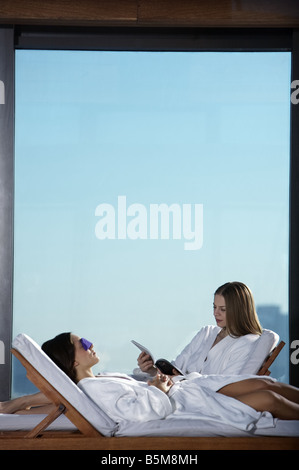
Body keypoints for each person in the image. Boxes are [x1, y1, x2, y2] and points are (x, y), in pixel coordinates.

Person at [1, 332, 299, 432]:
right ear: (73, 361)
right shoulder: (91, 388)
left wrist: (21, 402)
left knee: (265, 386)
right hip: (184, 402)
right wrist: (158, 389)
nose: (90, 344)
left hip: (190, 387)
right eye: (83, 343)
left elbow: (66, 396)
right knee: (270, 400)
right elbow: (141, 411)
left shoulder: (95, 383)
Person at [136, 281, 264, 377]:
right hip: (175, 388)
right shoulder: (206, 332)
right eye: (214, 307)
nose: (215, 313)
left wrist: (180, 380)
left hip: (194, 396)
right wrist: (151, 370)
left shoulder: (246, 343)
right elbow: (176, 368)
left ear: (239, 311)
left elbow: (225, 385)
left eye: (223, 309)